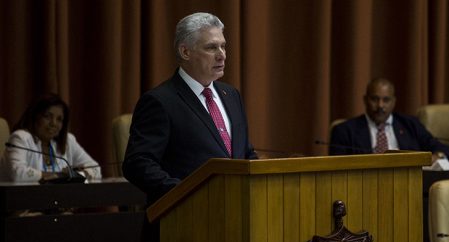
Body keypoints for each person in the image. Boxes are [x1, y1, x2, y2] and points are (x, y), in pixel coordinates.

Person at [123, 12, 257, 206]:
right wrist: (185, 194)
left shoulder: (232, 95)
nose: (222, 55)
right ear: (185, 52)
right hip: (185, 217)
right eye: (211, 47)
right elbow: (137, 163)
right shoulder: (160, 101)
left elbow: (245, 153)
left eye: (223, 46)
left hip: (235, 215)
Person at [329, 77, 449, 163]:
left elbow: (443, 149)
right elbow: (336, 167)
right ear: (365, 100)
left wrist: (437, 156)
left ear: (394, 102)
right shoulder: (344, 130)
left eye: (386, 100)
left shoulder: (410, 124)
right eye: (374, 99)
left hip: (408, 184)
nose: (380, 105)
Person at [0, 93, 101, 182]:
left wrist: (78, 175)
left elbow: (96, 169)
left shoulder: (68, 141)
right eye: (47, 116)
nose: (53, 123)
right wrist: (58, 176)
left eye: (59, 119)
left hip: (59, 200)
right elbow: (17, 173)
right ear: (35, 116)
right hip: (21, 201)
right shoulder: (21, 138)